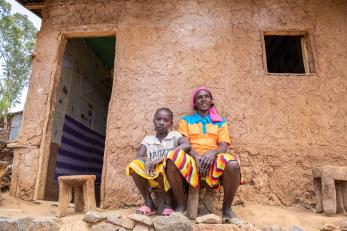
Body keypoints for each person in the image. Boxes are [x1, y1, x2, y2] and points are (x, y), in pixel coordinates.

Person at [166, 87, 241, 221]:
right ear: (195, 103)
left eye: (206, 96)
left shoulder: (220, 123)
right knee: (172, 157)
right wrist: (197, 156)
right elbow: (184, 144)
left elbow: (223, 146)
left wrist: (212, 153)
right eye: (199, 97)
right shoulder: (186, 121)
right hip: (191, 158)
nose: (203, 99)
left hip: (213, 159)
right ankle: (181, 206)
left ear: (211, 101)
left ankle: (227, 210)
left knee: (233, 164)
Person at [126, 107, 191, 216]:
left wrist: (164, 156)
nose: (161, 123)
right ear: (153, 121)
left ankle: (169, 204)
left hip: (171, 178)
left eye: (166, 120)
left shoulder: (174, 135)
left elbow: (186, 145)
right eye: (158, 119)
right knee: (133, 166)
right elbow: (138, 157)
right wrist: (147, 159)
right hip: (153, 176)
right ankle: (149, 203)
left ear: (171, 123)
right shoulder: (148, 139)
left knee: (160, 168)